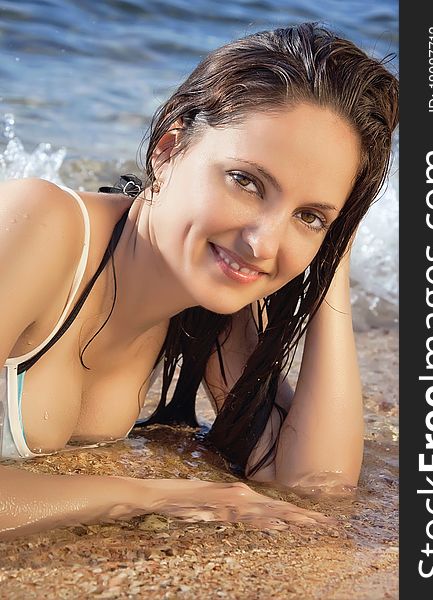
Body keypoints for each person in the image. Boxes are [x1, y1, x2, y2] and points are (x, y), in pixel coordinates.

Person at [0, 22, 399, 539]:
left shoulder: (211, 301)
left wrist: (330, 254)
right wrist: (147, 495)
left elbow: (314, 483)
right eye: (246, 182)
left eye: (308, 215)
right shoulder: (38, 225)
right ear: (168, 148)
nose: (263, 244)